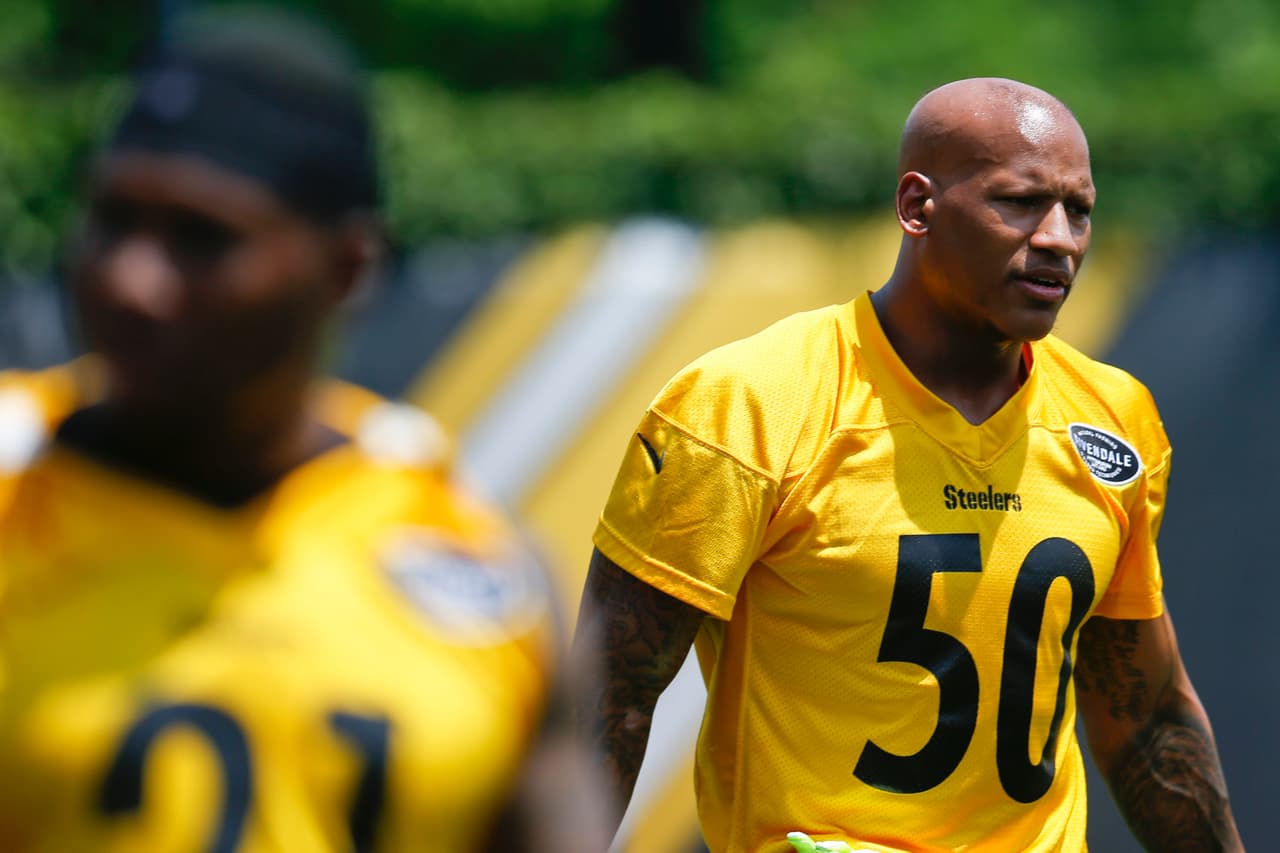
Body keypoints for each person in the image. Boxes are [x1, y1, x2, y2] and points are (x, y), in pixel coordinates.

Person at [575, 77, 1243, 852]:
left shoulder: (1112, 417)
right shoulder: (747, 403)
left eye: (1080, 208)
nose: (1060, 237)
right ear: (918, 207)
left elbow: (1148, 717)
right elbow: (609, 698)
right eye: (1021, 202)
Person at [0, 10, 606, 853]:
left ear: (348, 268)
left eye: (201, 237)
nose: (130, 280)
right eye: (112, 219)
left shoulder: (473, 564)